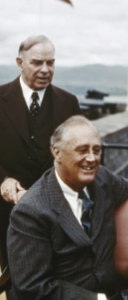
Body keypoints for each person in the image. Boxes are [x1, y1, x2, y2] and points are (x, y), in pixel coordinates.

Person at [7, 115, 128, 300]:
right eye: (82, 150)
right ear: (57, 153)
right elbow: (32, 287)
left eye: (96, 150)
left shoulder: (103, 179)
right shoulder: (30, 211)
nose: (91, 159)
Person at [0, 35, 81, 269]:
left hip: (55, 215)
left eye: (51, 62)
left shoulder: (69, 103)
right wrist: (3, 179)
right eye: (37, 63)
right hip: (5, 215)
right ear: (19, 62)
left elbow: (83, 156)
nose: (46, 69)